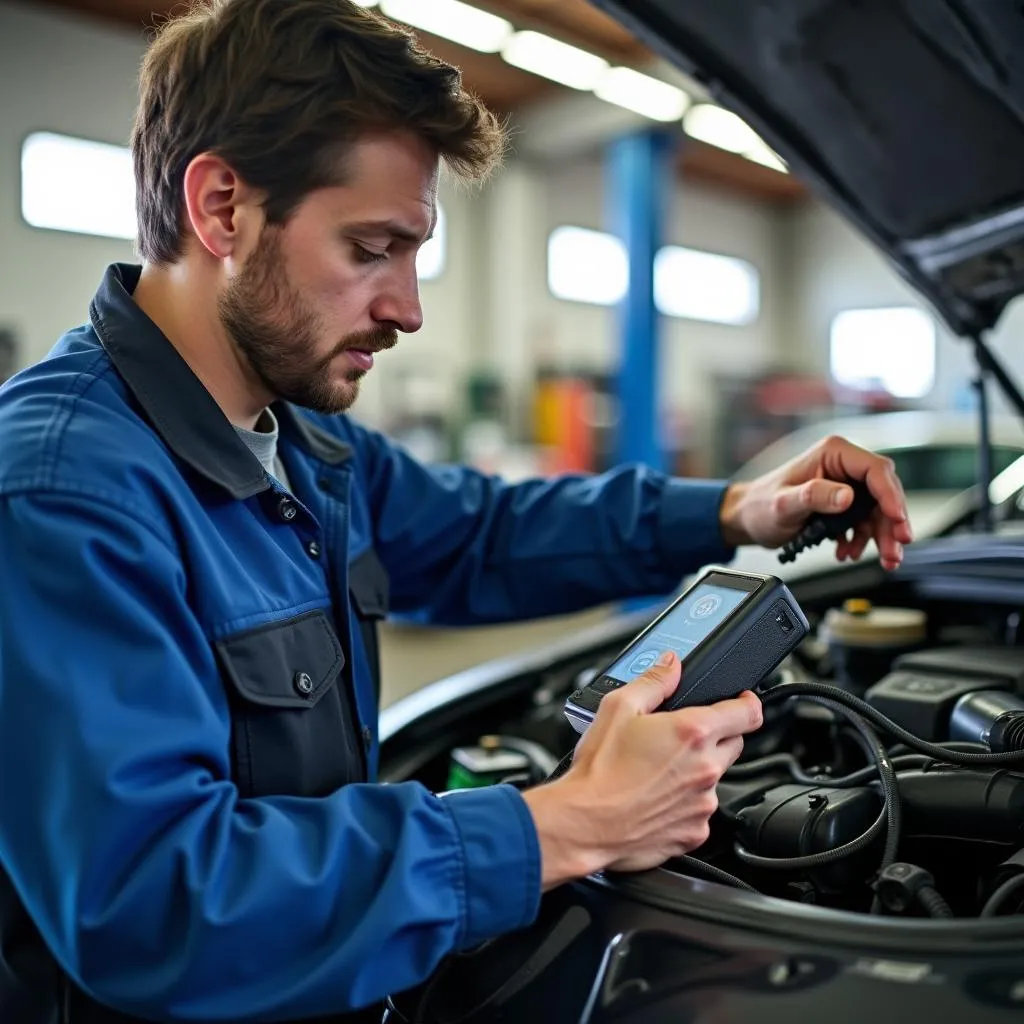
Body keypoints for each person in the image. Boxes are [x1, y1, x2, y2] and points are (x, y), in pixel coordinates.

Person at [0, 1, 913, 1022]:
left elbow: (488, 531)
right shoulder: (64, 492)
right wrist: (560, 825)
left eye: (413, 253)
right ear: (220, 209)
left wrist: (740, 508)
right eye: (371, 247)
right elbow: (153, 902)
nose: (407, 307)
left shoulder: (308, 448)